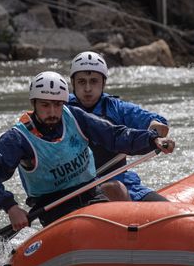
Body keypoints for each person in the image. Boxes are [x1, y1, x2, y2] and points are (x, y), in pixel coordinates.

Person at [0, 71, 175, 231]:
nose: (52, 112)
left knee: (116, 189)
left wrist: (152, 140)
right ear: (33, 104)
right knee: (88, 228)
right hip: (54, 206)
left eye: (57, 105)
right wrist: (10, 206)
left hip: (91, 193)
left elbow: (115, 136)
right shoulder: (18, 138)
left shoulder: (75, 117)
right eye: (45, 105)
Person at [67, 51, 170, 201]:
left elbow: (155, 121)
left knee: (164, 207)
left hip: (121, 182)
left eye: (94, 81)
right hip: (77, 190)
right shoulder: (60, 109)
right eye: (82, 82)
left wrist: (155, 125)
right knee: (112, 190)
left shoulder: (115, 107)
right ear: (73, 83)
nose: (88, 88)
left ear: (103, 83)